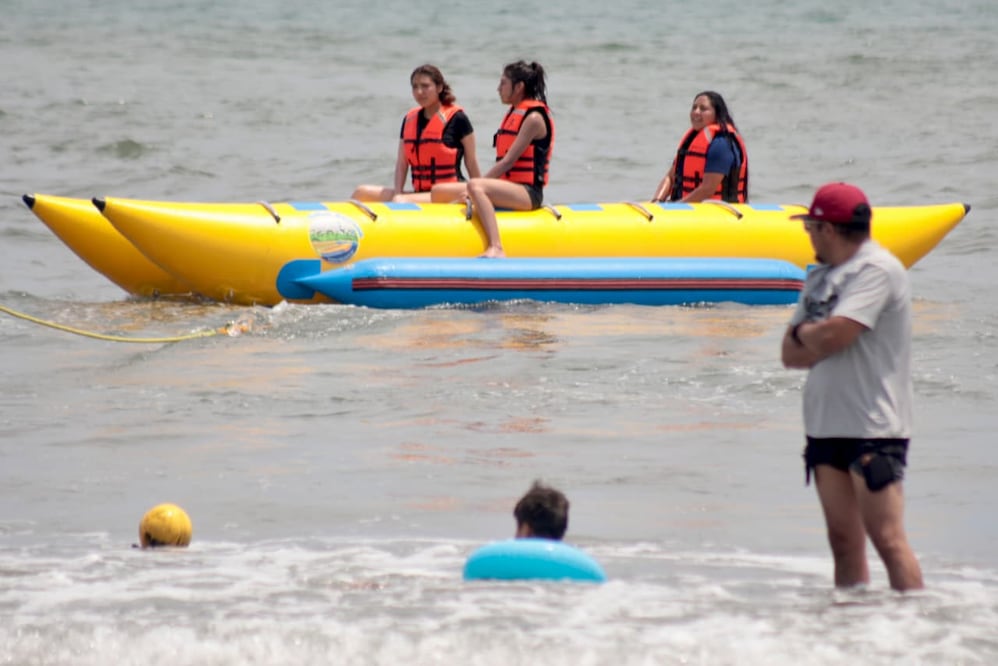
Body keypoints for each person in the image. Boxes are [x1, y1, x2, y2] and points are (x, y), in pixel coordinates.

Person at [781, 182, 923, 592]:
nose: (807, 234)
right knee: (843, 544)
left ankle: (918, 632)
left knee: (888, 540)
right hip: (825, 425)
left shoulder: (877, 270)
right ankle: (852, 635)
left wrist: (810, 333)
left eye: (810, 226)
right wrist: (815, 335)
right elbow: (789, 355)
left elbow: (835, 336)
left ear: (828, 229)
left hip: (873, 428)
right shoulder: (820, 276)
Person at [431, 60, 554, 258]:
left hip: (528, 193)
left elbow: (508, 162)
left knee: (475, 187)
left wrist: (476, 185)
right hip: (508, 187)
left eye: (503, 83)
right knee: (439, 191)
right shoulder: (515, 113)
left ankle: (496, 246)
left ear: (519, 87)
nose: (498, 88)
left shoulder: (533, 119)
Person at [351, 64, 481, 203]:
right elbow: (402, 163)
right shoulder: (409, 119)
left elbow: (471, 162)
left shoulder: (458, 119)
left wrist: (481, 195)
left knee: (401, 201)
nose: (419, 92)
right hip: (421, 194)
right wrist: (398, 192)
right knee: (361, 193)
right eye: (415, 87)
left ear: (439, 88)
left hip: (450, 193)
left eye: (425, 86)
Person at [651, 91, 748, 203]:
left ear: (716, 113)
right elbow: (670, 178)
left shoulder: (721, 144)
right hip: (686, 207)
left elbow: (708, 189)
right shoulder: (691, 140)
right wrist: (656, 202)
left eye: (703, 109)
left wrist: (677, 208)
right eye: (694, 107)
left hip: (718, 211)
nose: (696, 112)